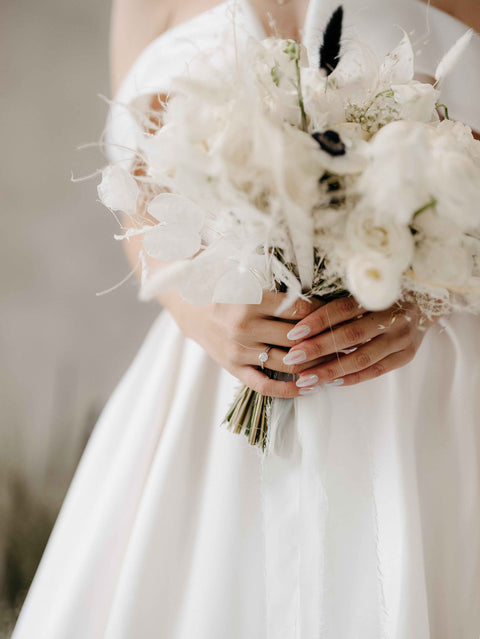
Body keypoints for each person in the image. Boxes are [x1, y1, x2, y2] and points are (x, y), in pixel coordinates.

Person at [11, 1, 480, 637]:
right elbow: (134, 187)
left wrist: (429, 294)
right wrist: (196, 308)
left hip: (422, 393)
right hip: (214, 382)